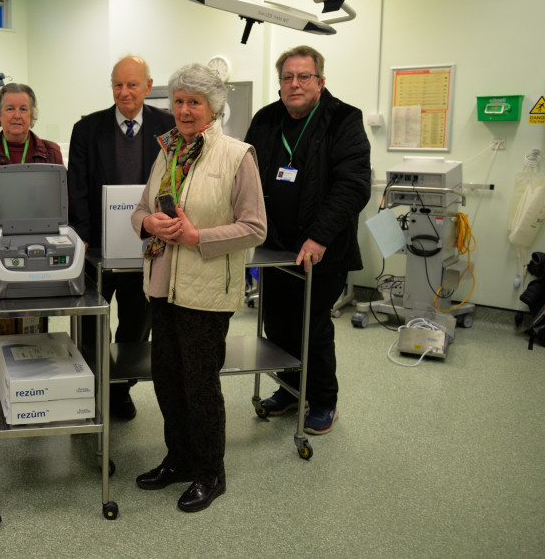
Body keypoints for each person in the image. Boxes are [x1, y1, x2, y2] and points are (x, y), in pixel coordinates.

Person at [131, 63, 266, 513]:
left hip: (207, 291)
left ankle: (211, 472)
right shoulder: (167, 151)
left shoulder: (237, 155)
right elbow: (141, 210)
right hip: (162, 286)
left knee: (199, 384)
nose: (184, 110)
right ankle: (179, 460)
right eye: (179, 101)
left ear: (213, 108)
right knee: (167, 380)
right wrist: (148, 222)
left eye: (195, 102)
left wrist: (197, 237)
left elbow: (254, 228)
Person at [243, 45, 371, 435]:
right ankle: (291, 388)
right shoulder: (266, 119)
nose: (294, 84)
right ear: (280, 82)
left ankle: (324, 400)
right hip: (275, 247)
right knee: (278, 323)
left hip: (322, 250)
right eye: (287, 77)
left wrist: (318, 237)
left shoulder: (343, 120)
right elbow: (244, 175)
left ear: (320, 81)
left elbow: (353, 186)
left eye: (304, 77)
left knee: (312, 326)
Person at [67, 55, 175, 419]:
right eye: (118, 84)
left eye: (132, 85)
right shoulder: (87, 129)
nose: (124, 92)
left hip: (146, 247)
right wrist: (81, 236)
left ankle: (119, 389)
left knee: (136, 322)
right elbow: (76, 186)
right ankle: (90, 385)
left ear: (148, 85)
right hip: (96, 248)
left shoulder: (169, 126)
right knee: (91, 321)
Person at [0, 82, 64, 268]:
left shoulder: (52, 153)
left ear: (32, 116)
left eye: (23, 109)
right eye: (9, 109)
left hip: (45, 250)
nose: (17, 116)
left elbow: (62, 205)